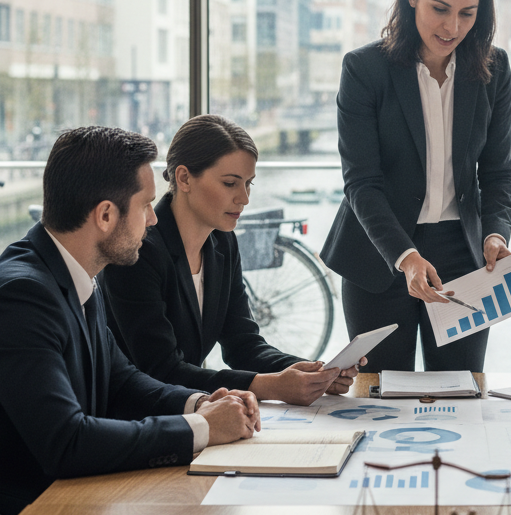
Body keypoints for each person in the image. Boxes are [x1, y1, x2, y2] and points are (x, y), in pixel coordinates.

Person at [0, 126, 260, 515]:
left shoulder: (75, 277)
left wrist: (201, 403)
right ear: (105, 215)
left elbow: (121, 382)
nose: (154, 219)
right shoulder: (19, 297)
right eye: (146, 205)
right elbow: (67, 442)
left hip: (54, 507)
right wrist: (203, 428)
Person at [321, 0, 511, 373]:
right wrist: (406, 257)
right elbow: (361, 183)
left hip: (462, 256)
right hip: (379, 254)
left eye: (468, 13)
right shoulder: (364, 69)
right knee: (381, 395)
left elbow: (499, 172)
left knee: (462, 390)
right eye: (440, 8)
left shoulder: (494, 69)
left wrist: (496, 234)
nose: (452, 26)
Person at [101, 114, 360, 406]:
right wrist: (271, 387)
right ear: (184, 178)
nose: (244, 198)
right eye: (230, 183)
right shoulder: (139, 252)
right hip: (140, 415)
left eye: (249, 184)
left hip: (186, 406)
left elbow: (243, 344)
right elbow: (162, 370)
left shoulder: (222, 243)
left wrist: (314, 372)